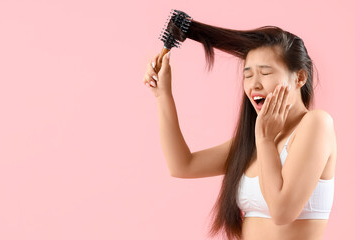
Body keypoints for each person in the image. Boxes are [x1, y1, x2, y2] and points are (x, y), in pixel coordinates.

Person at [142, 23, 336, 240]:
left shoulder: (316, 124)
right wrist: (163, 97)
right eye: (248, 75)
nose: (254, 85)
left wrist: (265, 141)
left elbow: (282, 212)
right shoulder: (252, 141)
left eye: (265, 72)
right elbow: (182, 165)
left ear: (300, 78)